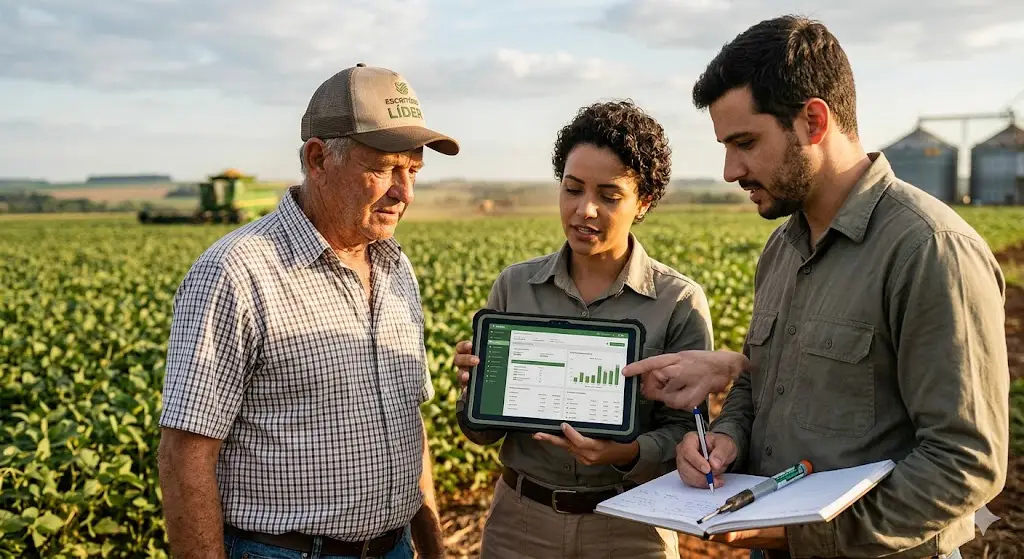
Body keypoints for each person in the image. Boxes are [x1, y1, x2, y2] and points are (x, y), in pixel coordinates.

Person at [623, 15, 1009, 559]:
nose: (730, 170)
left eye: (745, 143)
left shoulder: (929, 249)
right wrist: (728, 439)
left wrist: (804, 535)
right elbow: (761, 385)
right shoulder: (782, 249)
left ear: (813, 120)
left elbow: (965, 461)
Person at [157, 63, 459, 559]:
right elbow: (185, 454)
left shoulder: (395, 266)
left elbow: (408, 423)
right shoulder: (237, 272)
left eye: (413, 170)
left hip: (395, 548)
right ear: (318, 158)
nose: (404, 192)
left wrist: (433, 548)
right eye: (383, 168)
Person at [451, 100, 715, 558]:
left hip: (631, 528)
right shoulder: (515, 285)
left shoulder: (678, 302)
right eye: (572, 189)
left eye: (608, 196)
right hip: (520, 526)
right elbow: (481, 433)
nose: (584, 210)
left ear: (644, 202)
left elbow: (689, 431)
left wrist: (623, 454)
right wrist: (475, 395)